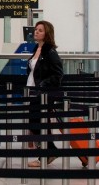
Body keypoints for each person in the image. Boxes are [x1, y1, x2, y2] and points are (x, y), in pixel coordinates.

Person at [26, 20, 63, 168]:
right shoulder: (37, 48)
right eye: (36, 29)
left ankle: (49, 152)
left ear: (47, 33)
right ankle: (47, 154)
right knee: (38, 123)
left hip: (43, 93)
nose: (36, 32)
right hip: (33, 91)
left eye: (40, 30)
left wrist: (43, 85)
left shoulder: (50, 51)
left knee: (36, 123)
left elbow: (58, 74)